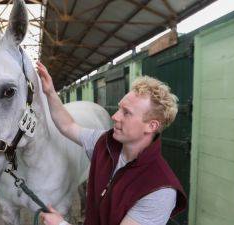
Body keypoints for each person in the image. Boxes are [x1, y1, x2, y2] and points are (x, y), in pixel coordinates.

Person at [36, 61, 187, 225]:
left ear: (151, 126)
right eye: (119, 108)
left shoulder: (160, 190)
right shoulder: (104, 143)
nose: (115, 116)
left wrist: (60, 224)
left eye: (127, 113)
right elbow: (68, 126)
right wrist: (50, 92)